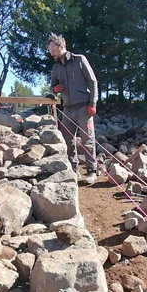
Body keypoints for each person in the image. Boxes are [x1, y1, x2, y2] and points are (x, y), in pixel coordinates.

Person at [47, 34, 99, 185]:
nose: (50, 53)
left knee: (88, 140)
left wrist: (93, 103)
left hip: (84, 107)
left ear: (61, 46)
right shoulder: (56, 67)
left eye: (52, 50)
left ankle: (92, 171)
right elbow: (51, 88)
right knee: (67, 142)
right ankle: (73, 170)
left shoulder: (79, 60)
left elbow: (93, 81)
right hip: (67, 109)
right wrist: (54, 89)